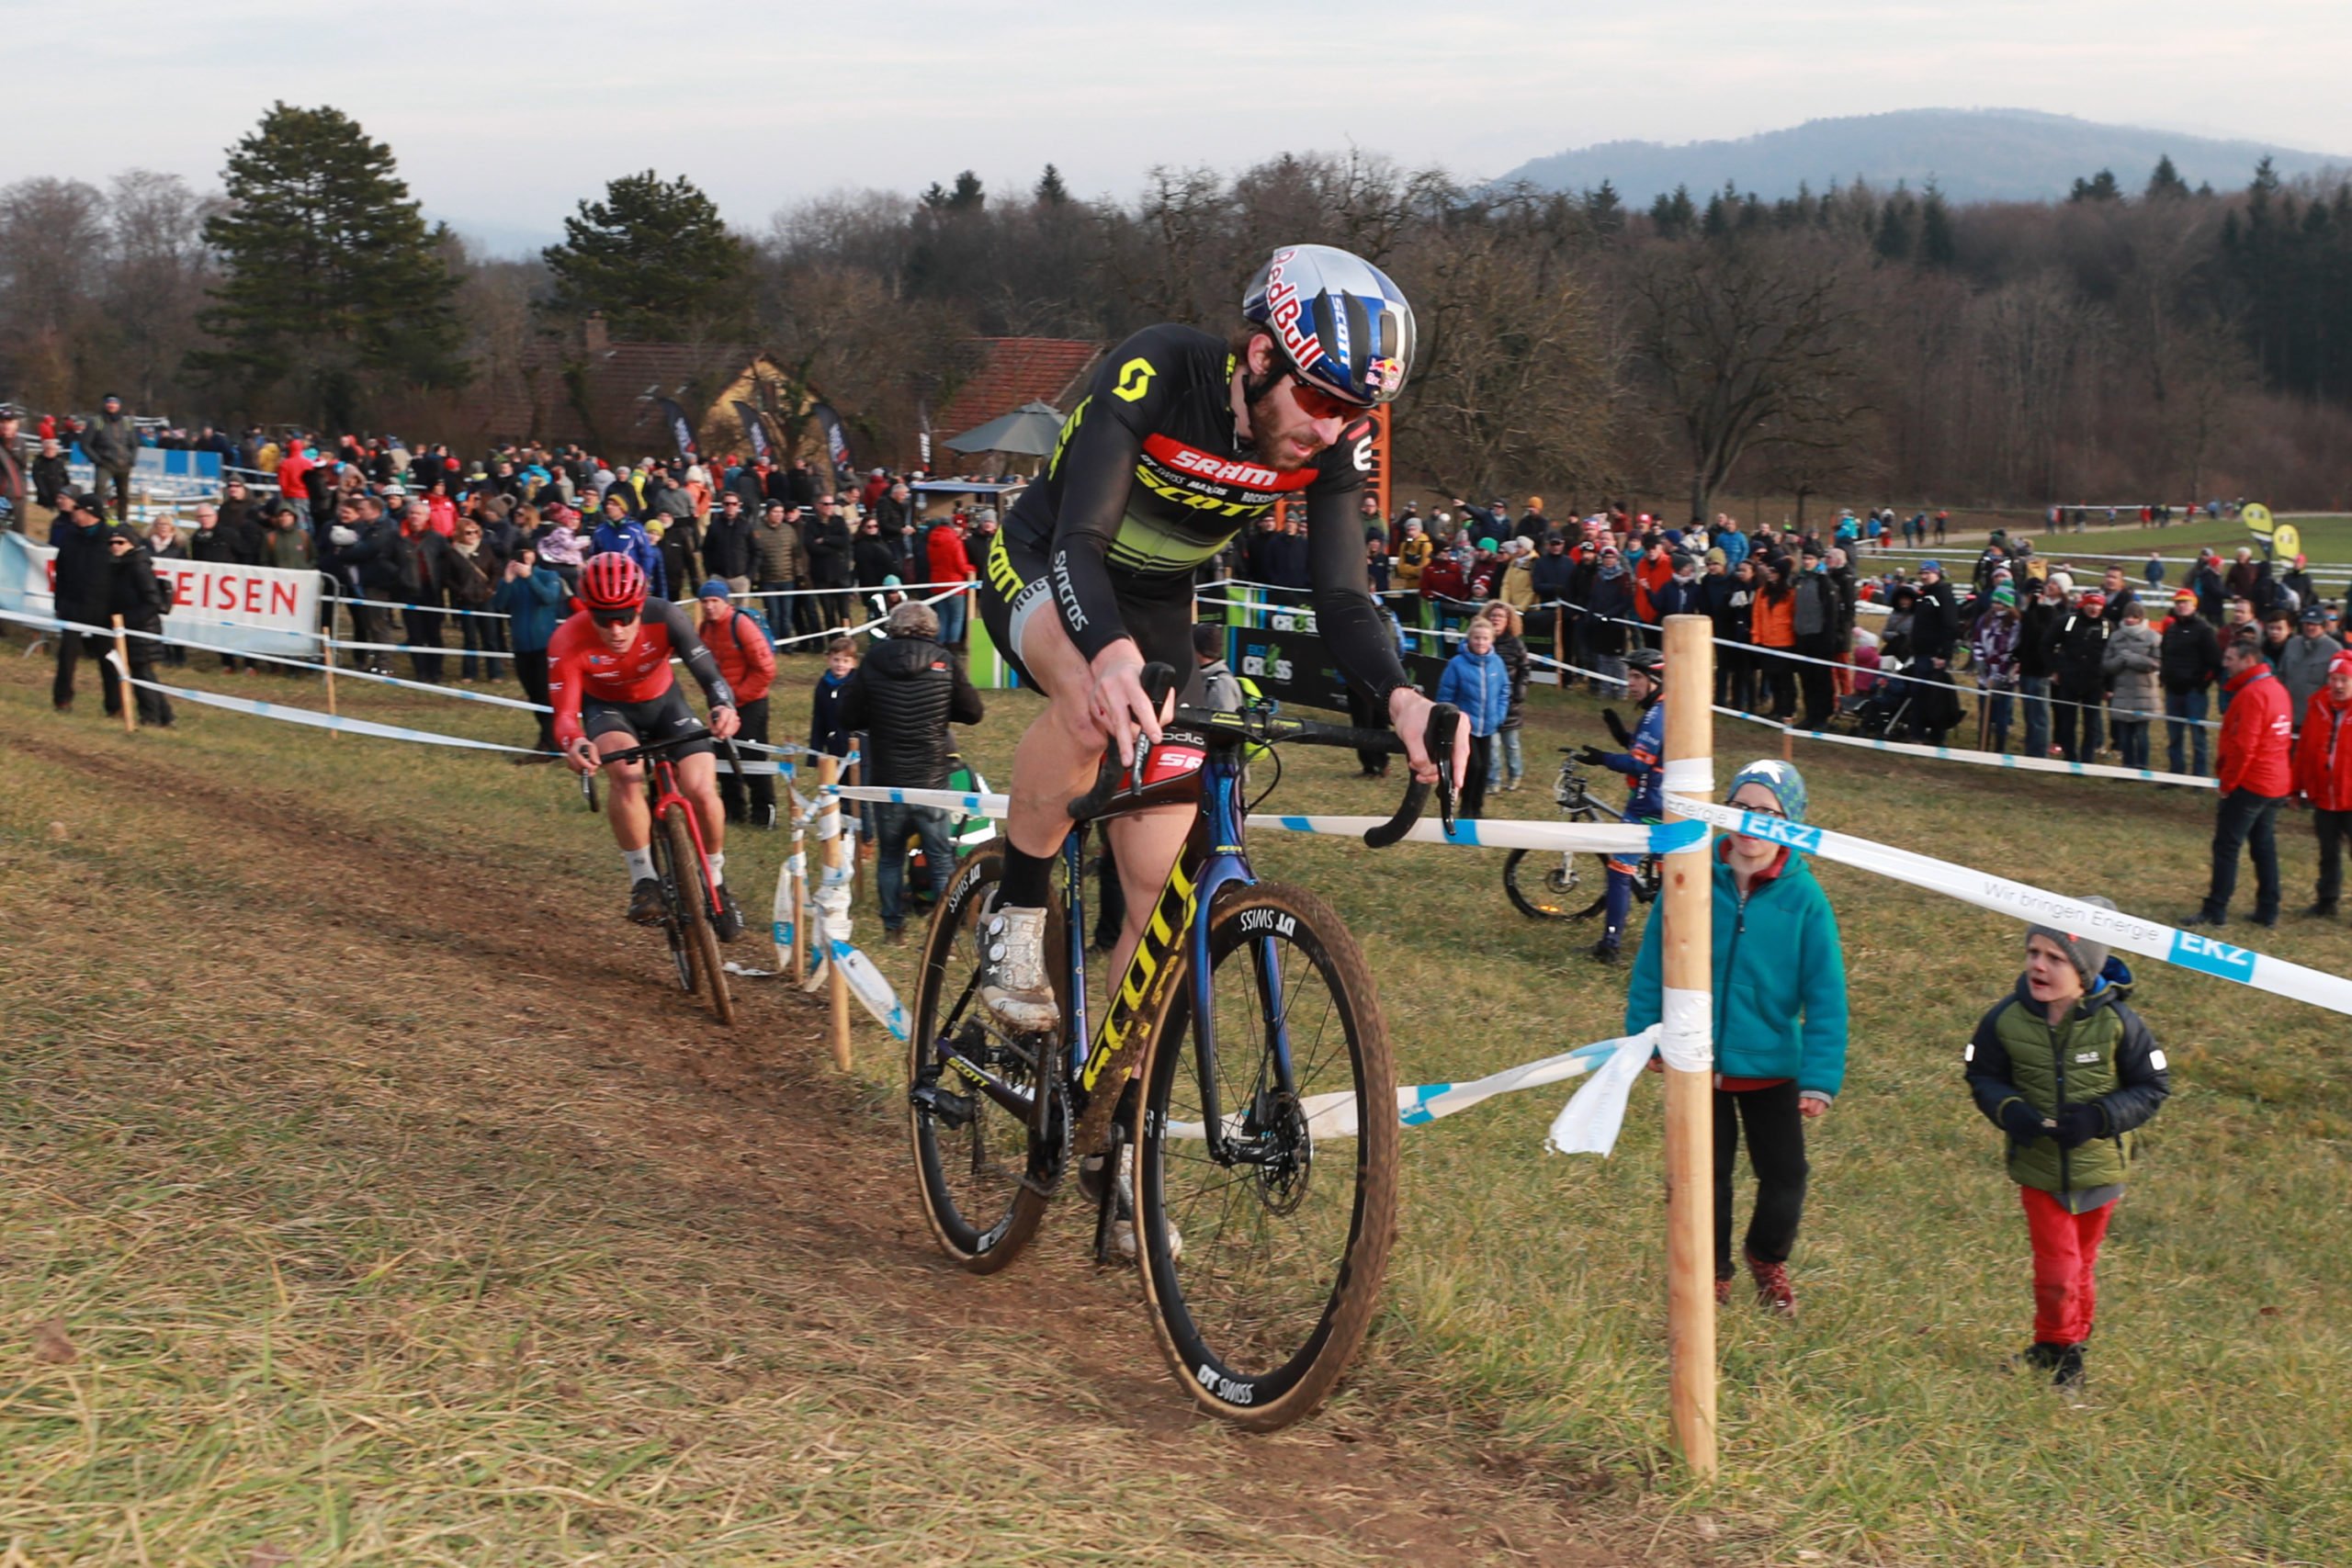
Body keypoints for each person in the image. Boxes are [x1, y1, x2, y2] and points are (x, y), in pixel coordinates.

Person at [968, 243, 1457, 1048]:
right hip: (1048, 564)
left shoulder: (1332, 446)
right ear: (1262, 355)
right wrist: (1111, 653)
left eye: (1353, 414)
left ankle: (1106, 1107)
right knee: (1094, 709)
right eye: (1320, 399)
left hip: (1158, 606)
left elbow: (1340, 596)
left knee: (1162, 895)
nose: (1332, 429)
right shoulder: (1157, 370)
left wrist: (1403, 696)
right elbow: (1080, 540)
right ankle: (1015, 914)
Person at [1627, 760, 1846, 1317]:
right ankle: (1713, 1272)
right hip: (1698, 1064)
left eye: (1768, 814)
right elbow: (1655, 960)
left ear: (1789, 825)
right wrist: (1648, 1034)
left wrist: (1820, 1078)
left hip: (1773, 1068)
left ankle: (1765, 1255)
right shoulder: (1691, 878)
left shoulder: (1806, 901)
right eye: (1742, 808)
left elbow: (1825, 996)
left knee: (1786, 1176)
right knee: (1708, 1178)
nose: (1752, 823)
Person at [1963, 900, 2169, 1394]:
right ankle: (2062, 1349)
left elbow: (2153, 1086)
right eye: (2033, 952)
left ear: (2085, 971)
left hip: (2100, 1172)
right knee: (2058, 1268)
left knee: (2080, 1267)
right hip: (2038, 1168)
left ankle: (2060, 1346)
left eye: (2055, 958)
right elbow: (1981, 1074)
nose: (2038, 965)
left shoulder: (2121, 1023)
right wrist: (2010, 1110)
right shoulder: (2005, 1019)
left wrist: (2100, 1117)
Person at [549, 554, 744, 937]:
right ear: (588, 612)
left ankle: (716, 880)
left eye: (626, 616)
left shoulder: (667, 616)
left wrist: (724, 706)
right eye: (604, 619)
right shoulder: (567, 639)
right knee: (626, 772)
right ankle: (644, 880)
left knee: (703, 791)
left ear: (641, 606)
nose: (617, 629)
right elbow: (565, 716)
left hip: (665, 704)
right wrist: (574, 743)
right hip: (608, 712)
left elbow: (710, 675)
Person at [839, 599, 986, 942]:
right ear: (932, 628)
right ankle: (945, 933)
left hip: (888, 780)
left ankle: (893, 928)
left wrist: (877, 716)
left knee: (889, 858)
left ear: (894, 627)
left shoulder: (874, 659)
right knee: (940, 857)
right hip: (932, 780)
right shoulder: (945, 661)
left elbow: (848, 716)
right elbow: (973, 712)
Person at [2185, 632, 2293, 931]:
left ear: (2248, 660)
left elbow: (2245, 746)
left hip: (2252, 782)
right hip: (2275, 781)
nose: (2225, 664)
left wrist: (2228, 784)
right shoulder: (2276, 689)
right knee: (2263, 845)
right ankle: (2268, 909)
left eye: (2230, 659)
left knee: (2227, 846)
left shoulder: (2252, 694)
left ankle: (2216, 909)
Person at [1576, 644, 1667, 963]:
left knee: (1620, 869)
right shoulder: (1661, 710)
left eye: (1636, 677)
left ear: (1656, 680)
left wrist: (1603, 759)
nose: (1631, 683)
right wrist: (1622, 736)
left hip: (1648, 807)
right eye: (1630, 676)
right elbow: (1649, 752)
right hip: (1664, 805)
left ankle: (1610, 947)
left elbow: (1640, 764)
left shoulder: (1657, 715)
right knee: (1668, 878)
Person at [696, 581, 779, 829]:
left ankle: (765, 816)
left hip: (751, 702)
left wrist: (736, 698)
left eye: (714, 601)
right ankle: (733, 812)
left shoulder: (741, 625)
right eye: (705, 602)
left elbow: (766, 670)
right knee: (721, 760)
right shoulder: (704, 630)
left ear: (726, 602)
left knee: (754, 760)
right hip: (721, 705)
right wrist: (718, 699)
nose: (710, 607)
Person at [493, 543, 567, 756]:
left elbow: (549, 598)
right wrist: (506, 580)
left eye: (525, 553)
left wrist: (529, 577)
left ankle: (550, 741)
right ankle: (549, 738)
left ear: (534, 555)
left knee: (546, 695)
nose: (522, 558)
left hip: (545, 647)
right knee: (534, 695)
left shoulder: (548, 576)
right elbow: (499, 604)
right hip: (521, 647)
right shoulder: (512, 582)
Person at [47, 494, 119, 712]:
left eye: (76, 508)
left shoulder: (111, 538)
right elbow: (61, 571)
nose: (73, 512)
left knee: (108, 660)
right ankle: (62, 700)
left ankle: (114, 706)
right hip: (72, 606)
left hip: (103, 609)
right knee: (66, 656)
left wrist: (117, 608)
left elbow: (121, 573)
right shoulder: (70, 536)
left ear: (89, 512)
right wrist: (59, 604)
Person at [2294, 651, 2352, 918]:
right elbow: (2304, 749)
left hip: (2349, 795)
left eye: (2345, 680)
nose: (2338, 686)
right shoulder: (2317, 705)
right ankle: (2326, 900)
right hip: (2324, 795)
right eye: (2334, 679)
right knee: (2327, 852)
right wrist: (2295, 787)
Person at [101, 525, 174, 727]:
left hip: (142, 629)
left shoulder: (138, 566)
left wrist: (128, 622)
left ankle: (150, 717)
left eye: (120, 542)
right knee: (143, 674)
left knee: (142, 674)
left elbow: (152, 601)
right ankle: (165, 716)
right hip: (127, 629)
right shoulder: (119, 565)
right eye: (112, 543)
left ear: (131, 543)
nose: (115, 546)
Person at [1436, 617, 1510, 818]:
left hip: (1488, 725)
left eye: (1485, 638)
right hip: (1464, 726)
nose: (1480, 642)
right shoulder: (1456, 664)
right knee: (1473, 765)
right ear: (1469, 639)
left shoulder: (1497, 663)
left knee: (1485, 767)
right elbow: (1445, 695)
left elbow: (1504, 690)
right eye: (1476, 638)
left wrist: (1499, 715)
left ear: (1491, 640)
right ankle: (1465, 807)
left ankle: (1478, 807)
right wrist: (1450, 719)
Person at [2159, 589, 2222, 777]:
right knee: (2174, 736)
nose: (2181, 605)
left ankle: (2199, 776)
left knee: (2198, 737)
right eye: (2178, 602)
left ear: (2194, 605)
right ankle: (2176, 773)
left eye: (2185, 602)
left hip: (2194, 692)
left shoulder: (2205, 630)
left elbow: (2215, 662)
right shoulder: (2171, 629)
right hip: (2173, 691)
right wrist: (2164, 677)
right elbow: (2164, 655)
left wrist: (2202, 684)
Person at [2103, 602, 2161, 770]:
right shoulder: (2115, 637)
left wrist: (2132, 659)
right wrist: (2120, 660)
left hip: (2144, 693)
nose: (2129, 620)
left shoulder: (2153, 637)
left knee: (2141, 733)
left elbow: (2156, 663)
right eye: (2127, 616)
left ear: (2140, 618)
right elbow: (2107, 664)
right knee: (2125, 734)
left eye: (2134, 617)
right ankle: (2127, 765)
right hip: (2122, 692)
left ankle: (2142, 765)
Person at [2278, 605, 2342, 736]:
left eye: (2315, 624)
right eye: (2307, 623)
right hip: (2288, 716)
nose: (2310, 627)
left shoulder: (2334, 650)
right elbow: (2281, 675)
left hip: (2317, 720)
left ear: (2323, 626)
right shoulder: (2291, 644)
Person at [83, 394, 140, 521]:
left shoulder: (127, 423)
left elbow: (134, 444)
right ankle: (95, 519)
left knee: (124, 496)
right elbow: (85, 444)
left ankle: (123, 522)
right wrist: (97, 460)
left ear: (119, 405)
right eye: (109, 402)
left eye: (115, 403)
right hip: (105, 463)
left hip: (124, 464)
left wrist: (132, 459)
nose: (112, 405)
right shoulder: (96, 422)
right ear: (105, 404)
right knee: (99, 491)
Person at [808, 637, 857, 758]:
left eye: (846, 661)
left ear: (853, 663)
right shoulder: (823, 685)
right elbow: (819, 719)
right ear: (829, 660)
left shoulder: (859, 684)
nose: (840, 665)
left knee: (859, 776)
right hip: (835, 744)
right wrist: (815, 753)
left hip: (858, 745)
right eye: (836, 660)